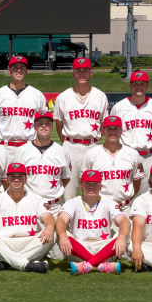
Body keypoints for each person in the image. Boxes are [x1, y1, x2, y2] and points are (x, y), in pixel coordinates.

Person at [0, 163, 56, 273]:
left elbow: (48, 217)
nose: (16, 179)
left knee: (52, 233)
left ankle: (6, 263)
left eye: (20, 176)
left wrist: (49, 226)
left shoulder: (36, 199)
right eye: (13, 176)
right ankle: (28, 265)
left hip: (28, 243)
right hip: (3, 242)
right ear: (7, 179)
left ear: (26, 179)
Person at [52, 58, 109, 201]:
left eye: (85, 71)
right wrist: (67, 141)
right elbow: (59, 123)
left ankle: (94, 223)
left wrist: (95, 140)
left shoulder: (100, 96)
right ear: (73, 74)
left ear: (91, 73)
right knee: (69, 192)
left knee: (96, 190)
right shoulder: (63, 97)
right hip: (71, 146)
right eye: (78, 71)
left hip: (94, 146)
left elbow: (104, 123)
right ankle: (69, 223)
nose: (82, 74)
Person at [55, 170, 129, 275]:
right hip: (80, 248)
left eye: (95, 184)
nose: (91, 187)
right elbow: (61, 220)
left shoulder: (108, 202)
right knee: (59, 233)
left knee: (125, 234)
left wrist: (121, 237)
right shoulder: (73, 202)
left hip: (103, 247)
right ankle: (102, 265)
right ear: (82, 186)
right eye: (87, 184)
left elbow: (124, 221)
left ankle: (87, 265)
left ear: (100, 187)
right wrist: (62, 235)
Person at [109, 70, 152, 193]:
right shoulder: (118, 107)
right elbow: (112, 133)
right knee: (121, 194)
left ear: (147, 86)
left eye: (142, 84)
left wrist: (146, 144)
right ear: (130, 86)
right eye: (135, 84)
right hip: (125, 156)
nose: (138, 87)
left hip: (148, 157)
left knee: (148, 196)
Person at [0, 55, 47, 160]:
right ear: (9, 71)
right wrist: (1, 133)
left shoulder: (37, 95)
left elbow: (45, 121)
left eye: (22, 67)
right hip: (5, 147)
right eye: (15, 67)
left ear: (26, 71)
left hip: (30, 147)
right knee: (4, 177)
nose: (19, 70)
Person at [13, 111, 70, 215]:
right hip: (28, 205)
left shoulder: (62, 151)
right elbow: (15, 177)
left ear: (52, 126)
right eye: (40, 123)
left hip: (54, 207)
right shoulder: (22, 151)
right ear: (34, 126)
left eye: (47, 123)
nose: (44, 126)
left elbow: (66, 178)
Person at [81, 115, 143, 210]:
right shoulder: (91, 154)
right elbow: (84, 182)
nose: (112, 132)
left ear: (121, 131)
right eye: (109, 129)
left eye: (116, 129)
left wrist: (127, 199)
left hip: (125, 207)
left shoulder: (133, 154)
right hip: (99, 208)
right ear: (103, 131)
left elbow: (136, 182)